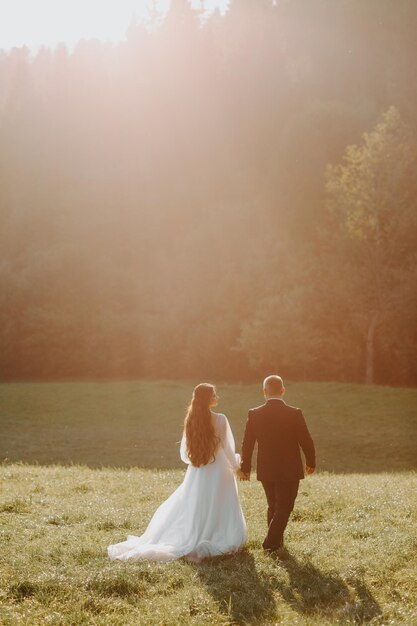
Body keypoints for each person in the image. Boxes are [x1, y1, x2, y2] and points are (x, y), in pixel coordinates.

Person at [108, 383, 246, 563]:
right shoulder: (220, 419)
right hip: (218, 469)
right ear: (210, 398)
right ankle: (213, 535)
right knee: (219, 503)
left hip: (198, 470)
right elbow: (228, 449)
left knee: (197, 503)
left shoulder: (191, 420)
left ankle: (197, 533)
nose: (217, 398)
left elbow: (185, 453)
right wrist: (237, 467)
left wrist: (200, 461)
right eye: (214, 395)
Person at [238, 375, 315, 554]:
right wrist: (311, 461)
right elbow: (306, 440)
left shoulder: (254, 413)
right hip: (290, 468)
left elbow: (247, 443)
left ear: (264, 392)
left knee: (273, 505)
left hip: (266, 467)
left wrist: (246, 468)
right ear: (283, 391)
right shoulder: (294, 413)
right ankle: (271, 543)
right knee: (285, 507)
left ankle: (276, 545)